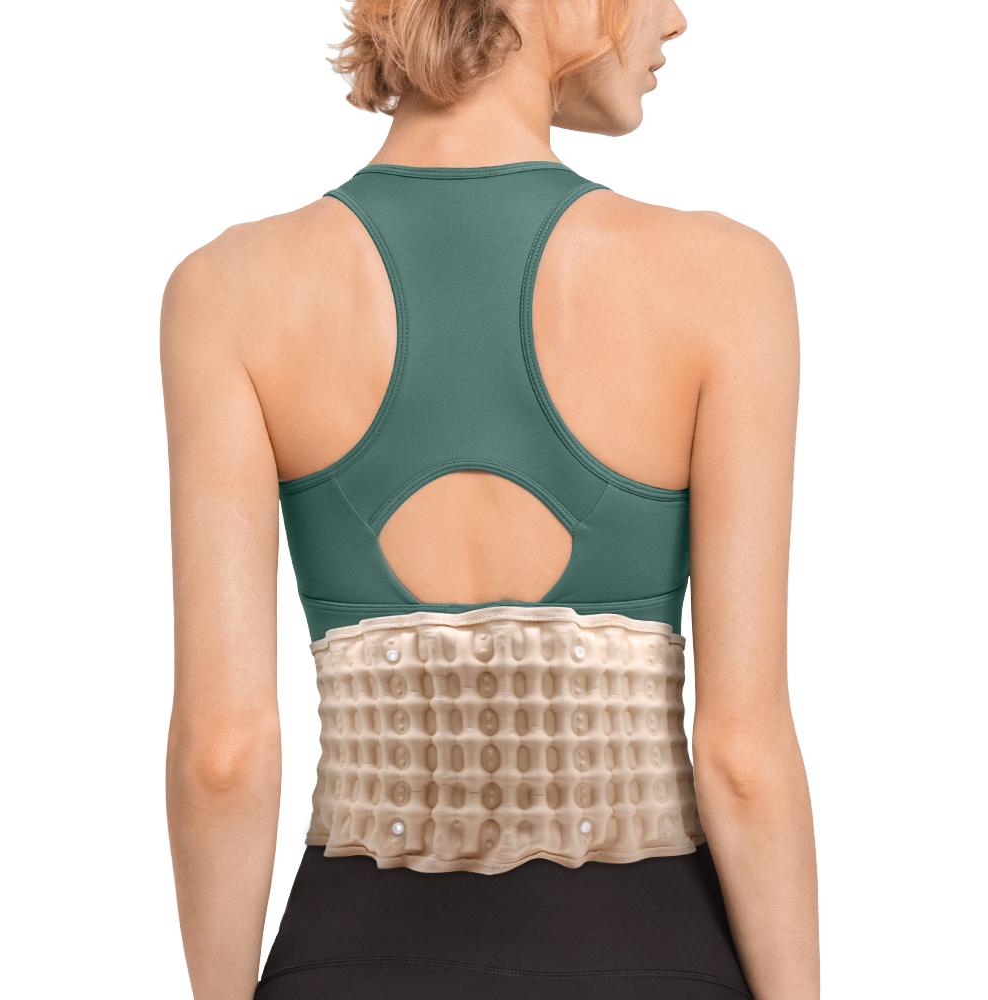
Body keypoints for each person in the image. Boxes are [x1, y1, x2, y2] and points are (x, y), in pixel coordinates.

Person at [161, 2, 818, 998]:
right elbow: (742, 756)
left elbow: (223, 753)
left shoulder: (228, 291)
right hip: (648, 956)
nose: (676, 18)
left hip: (349, 958)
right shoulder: (724, 282)